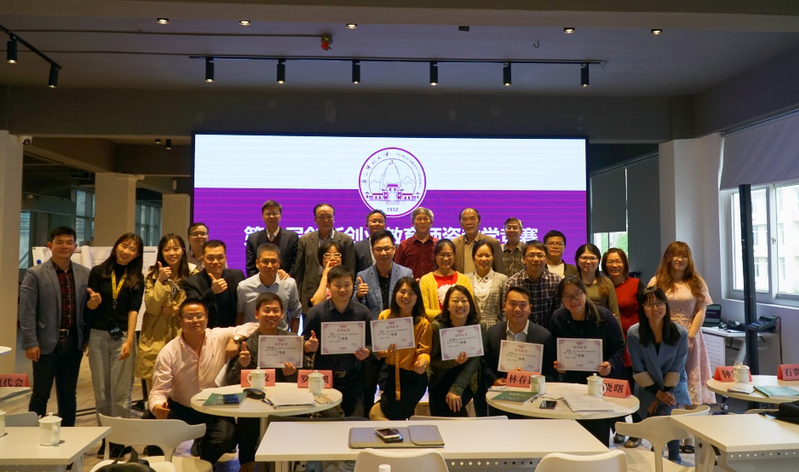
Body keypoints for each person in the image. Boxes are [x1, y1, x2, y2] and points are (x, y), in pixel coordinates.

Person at [149, 299, 256, 465]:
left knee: (227, 436)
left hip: (213, 406)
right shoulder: (169, 351)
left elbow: (252, 326)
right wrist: (157, 407)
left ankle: (204, 464)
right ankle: (158, 465)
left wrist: (235, 339)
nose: (195, 321)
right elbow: (159, 390)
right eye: (189, 317)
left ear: (207, 318)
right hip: (181, 408)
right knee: (150, 419)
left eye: (199, 316)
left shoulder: (219, 336)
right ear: (180, 320)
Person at [18, 226, 89, 427]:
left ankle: (68, 435)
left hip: (73, 342)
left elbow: (87, 310)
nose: (64, 246)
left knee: (68, 393)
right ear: (50, 245)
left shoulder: (84, 274)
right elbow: (27, 311)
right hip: (45, 344)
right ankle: (32, 435)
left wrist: (86, 338)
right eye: (59, 242)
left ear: (75, 246)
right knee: (41, 394)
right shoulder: (35, 274)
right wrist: (30, 343)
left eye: (69, 242)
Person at [85, 232, 145, 457]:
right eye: (124, 245)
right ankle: (105, 439)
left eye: (132, 249)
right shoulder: (98, 272)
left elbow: (133, 310)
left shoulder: (137, 277)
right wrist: (92, 302)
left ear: (137, 254)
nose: (126, 251)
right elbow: (90, 308)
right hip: (98, 336)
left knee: (120, 394)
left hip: (122, 337)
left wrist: (129, 340)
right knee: (101, 394)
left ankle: (121, 440)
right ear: (116, 246)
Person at [227, 292, 300, 472]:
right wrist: (242, 364)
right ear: (256, 313)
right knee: (247, 420)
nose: (271, 315)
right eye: (266, 310)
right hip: (254, 401)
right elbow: (231, 380)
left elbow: (301, 380)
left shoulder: (291, 341)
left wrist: (290, 374)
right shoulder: (246, 343)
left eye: (275, 311)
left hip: (285, 402)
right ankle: (247, 462)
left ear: (282, 314)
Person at [549, 276, 625, 445]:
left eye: (577, 294)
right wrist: (557, 364)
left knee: (597, 433)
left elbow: (619, 346)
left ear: (585, 294)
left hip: (598, 385)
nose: (573, 300)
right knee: (572, 434)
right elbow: (553, 349)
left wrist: (610, 364)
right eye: (567, 296)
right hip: (570, 384)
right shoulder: (557, 318)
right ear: (561, 299)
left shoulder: (603, 316)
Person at [627, 286, 690, 464]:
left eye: (659, 303)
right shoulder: (634, 333)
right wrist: (657, 393)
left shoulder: (680, 333)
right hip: (648, 386)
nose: (655, 308)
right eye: (649, 304)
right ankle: (663, 456)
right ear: (642, 308)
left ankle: (670, 456)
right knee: (660, 415)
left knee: (666, 411)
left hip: (673, 385)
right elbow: (638, 369)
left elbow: (677, 367)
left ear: (666, 305)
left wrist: (664, 394)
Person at [648, 241, 716, 408]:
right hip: (663, 334)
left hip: (690, 333)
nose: (680, 259)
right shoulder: (656, 282)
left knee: (691, 377)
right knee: (666, 377)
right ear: (667, 257)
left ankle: (691, 419)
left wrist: (690, 337)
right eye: (676, 255)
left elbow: (701, 311)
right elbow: (649, 308)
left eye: (684, 256)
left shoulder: (697, 282)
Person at [303, 265, 372, 417]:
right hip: (325, 379)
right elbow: (304, 342)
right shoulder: (317, 313)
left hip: (353, 377)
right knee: (329, 422)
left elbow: (371, 344)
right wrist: (308, 345)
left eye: (347, 285)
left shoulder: (363, 313)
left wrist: (367, 351)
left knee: (356, 420)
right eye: (338, 285)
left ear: (353, 285)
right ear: (328, 286)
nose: (342, 290)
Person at [135, 234, 197, 400]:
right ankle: (157, 414)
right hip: (156, 334)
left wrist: (177, 310)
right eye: (167, 249)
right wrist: (161, 282)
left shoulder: (193, 274)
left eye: (176, 248)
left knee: (184, 381)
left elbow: (197, 305)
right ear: (161, 252)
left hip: (183, 332)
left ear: (183, 250)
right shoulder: (152, 275)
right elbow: (152, 307)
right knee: (156, 383)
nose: (172, 253)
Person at [481, 286, 557, 416]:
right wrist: (494, 380)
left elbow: (552, 374)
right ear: (504, 306)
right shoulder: (493, 333)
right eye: (512, 304)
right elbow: (484, 364)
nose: (517, 309)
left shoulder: (544, 336)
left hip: (533, 404)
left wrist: (533, 380)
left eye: (523, 305)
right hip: (501, 401)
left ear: (530, 308)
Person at [369, 277, 432, 420]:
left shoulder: (423, 323)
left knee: (376, 413)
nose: (406, 296)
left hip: (413, 379)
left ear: (417, 297)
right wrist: (385, 352)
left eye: (411, 293)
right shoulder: (385, 316)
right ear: (395, 293)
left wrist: (423, 362)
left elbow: (424, 351)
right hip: (390, 376)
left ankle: (398, 434)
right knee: (391, 416)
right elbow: (378, 349)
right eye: (402, 292)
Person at [602, 247, 645, 447]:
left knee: (632, 388)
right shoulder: (603, 286)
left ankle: (637, 431)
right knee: (613, 388)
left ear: (624, 263)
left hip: (634, 343)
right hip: (612, 344)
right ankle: (618, 428)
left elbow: (646, 311)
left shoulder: (635, 284)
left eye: (618, 261)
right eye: (610, 261)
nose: (614, 265)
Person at [428, 285, 485, 417]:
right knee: (439, 404)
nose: (460, 305)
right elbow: (433, 361)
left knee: (453, 406)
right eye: (455, 301)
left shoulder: (478, 326)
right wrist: (453, 362)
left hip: (467, 379)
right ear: (447, 306)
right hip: (441, 376)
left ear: (470, 304)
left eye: (464, 301)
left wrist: (457, 388)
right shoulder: (437, 326)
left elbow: (474, 362)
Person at [294, 203, 355, 314]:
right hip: (311, 294)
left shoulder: (345, 240)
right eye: (321, 217)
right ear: (315, 219)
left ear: (334, 218)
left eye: (329, 217)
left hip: (339, 292)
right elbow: (299, 270)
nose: (326, 220)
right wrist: (298, 296)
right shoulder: (305, 240)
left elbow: (350, 268)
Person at [237, 243, 302, 331]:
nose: (270, 266)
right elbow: (240, 315)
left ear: (279, 263)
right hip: (252, 336)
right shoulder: (244, 287)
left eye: (273, 261)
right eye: (265, 261)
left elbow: (295, 314)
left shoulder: (290, 284)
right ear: (257, 263)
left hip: (281, 337)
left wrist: (293, 337)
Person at [183, 240, 245, 328]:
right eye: (210, 258)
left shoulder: (237, 275)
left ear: (225, 258)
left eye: (220, 257)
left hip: (234, 330)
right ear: (203, 259)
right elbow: (194, 310)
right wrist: (212, 292)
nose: (215, 262)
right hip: (207, 331)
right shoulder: (191, 282)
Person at [502, 241, 561, 328]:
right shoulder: (512, 283)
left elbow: (559, 311)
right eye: (531, 255)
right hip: (520, 331)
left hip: (549, 331)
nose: (536, 259)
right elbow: (506, 313)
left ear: (546, 259)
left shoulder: (556, 281)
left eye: (540, 255)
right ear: (523, 259)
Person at [419, 239, 474, 318]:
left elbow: (470, 306)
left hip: (460, 323)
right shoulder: (425, 280)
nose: (445, 258)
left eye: (449, 255)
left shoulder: (465, 280)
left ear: (454, 256)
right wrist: (450, 314)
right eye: (442, 255)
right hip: (435, 324)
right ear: (435, 256)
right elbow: (424, 310)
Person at [245, 200, 299, 277]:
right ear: (262, 216)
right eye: (268, 214)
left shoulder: (292, 237)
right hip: (259, 282)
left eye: (275, 213)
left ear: (280, 215)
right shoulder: (253, 239)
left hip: (285, 281)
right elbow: (250, 267)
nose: (271, 216)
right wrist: (257, 282)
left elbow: (295, 264)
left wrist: (288, 278)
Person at [575, 243, 621, 325]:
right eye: (584, 258)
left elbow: (615, 314)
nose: (588, 261)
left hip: (602, 326)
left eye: (592, 258)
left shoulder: (606, 283)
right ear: (577, 261)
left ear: (598, 261)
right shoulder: (571, 283)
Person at [467, 240, 508, 328]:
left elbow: (505, 310)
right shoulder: (466, 279)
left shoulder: (502, 279)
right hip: (472, 329)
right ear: (473, 258)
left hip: (495, 328)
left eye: (487, 255)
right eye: (479, 255)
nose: (484, 259)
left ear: (492, 257)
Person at [452, 208, 504, 275]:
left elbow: (500, 271)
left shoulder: (493, 243)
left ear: (479, 222)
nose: (469, 222)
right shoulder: (454, 244)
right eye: (465, 219)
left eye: (472, 218)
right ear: (460, 223)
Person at [394, 207, 438, 280]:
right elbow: (397, 269)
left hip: (433, 285)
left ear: (431, 223)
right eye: (419, 219)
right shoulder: (404, 245)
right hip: (410, 285)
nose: (422, 222)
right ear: (413, 223)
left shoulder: (438, 244)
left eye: (426, 219)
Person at [309, 240, 346, 307]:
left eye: (337, 255)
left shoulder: (347, 278)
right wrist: (325, 275)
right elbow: (316, 302)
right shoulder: (314, 280)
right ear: (321, 259)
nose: (332, 258)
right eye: (327, 255)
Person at [353, 209, 386, 274]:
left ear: (385, 225)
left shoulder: (393, 247)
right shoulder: (357, 247)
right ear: (367, 226)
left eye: (380, 221)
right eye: (374, 221)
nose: (377, 224)